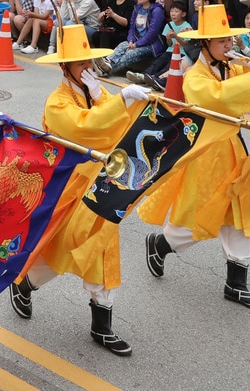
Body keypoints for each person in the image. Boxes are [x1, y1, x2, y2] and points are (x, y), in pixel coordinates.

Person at [9, 25, 149, 355]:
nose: (87, 66)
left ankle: (102, 325)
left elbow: (117, 126)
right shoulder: (58, 102)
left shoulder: (93, 91)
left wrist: (105, 97)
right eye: (80, 62)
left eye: (89, 59)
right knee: (63, 247)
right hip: (69, 186)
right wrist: (116, 101)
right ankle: (25, 283)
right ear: (64, 67)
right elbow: (87, 128)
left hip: (102, 184)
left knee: (101, 247)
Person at [140, 5, 250, 310]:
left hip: (234, 152)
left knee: (238, 216)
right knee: (196, 218)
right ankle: (161, 244)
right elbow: (216, 97)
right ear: (204, 45)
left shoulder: (232, 66)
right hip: (206, 155)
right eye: (222, 41)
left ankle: (236, 284)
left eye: (230, 40)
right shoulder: (195, 76)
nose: (230, 45)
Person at [101, 0, 165, 77]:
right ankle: (107, 62)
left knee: (130, 54)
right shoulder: (137, 8)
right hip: (135, 40)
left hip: (150, 45)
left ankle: (107, 70)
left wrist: (137, 44)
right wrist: (131, 40)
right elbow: (132, 28)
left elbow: (152, 33)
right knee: (122, 46)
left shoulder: (157, 11)